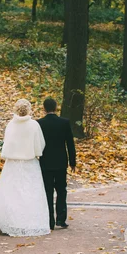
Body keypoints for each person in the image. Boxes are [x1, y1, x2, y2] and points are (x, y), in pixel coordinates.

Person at [0, 99, 50, 237]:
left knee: (12, 191)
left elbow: (7, 143)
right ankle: (29, 221)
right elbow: (40, 144)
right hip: (29, 163)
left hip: (13, 163)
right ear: (29, 109)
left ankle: (11, 221)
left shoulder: (11, 125)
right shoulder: (34, 125)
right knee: (30, 191)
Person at [37, 98, 76, 230]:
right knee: (61, 190)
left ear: (44, 108)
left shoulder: (39, 124)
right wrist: (72, 161)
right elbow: (70, 143)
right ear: (56, 107)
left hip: (45, 162)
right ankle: (61, 218)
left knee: (47, 191)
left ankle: (49, 221)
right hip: (60, 162)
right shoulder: (64, 123)